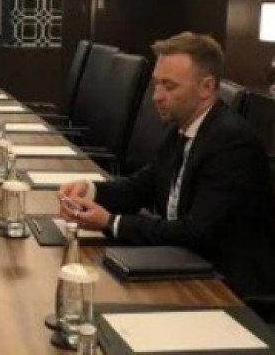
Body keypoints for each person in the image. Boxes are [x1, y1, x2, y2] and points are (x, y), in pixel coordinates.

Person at [58, 32, 275, 298]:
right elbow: (143, 186)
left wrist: (111, 222)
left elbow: (196, 233)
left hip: (224, 289)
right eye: (156, 84)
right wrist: (89, 191)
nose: (156, 96)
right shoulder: (184, 127)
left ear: (206, 87)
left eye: (169, 86)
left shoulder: (232, 143)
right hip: (182, 263)